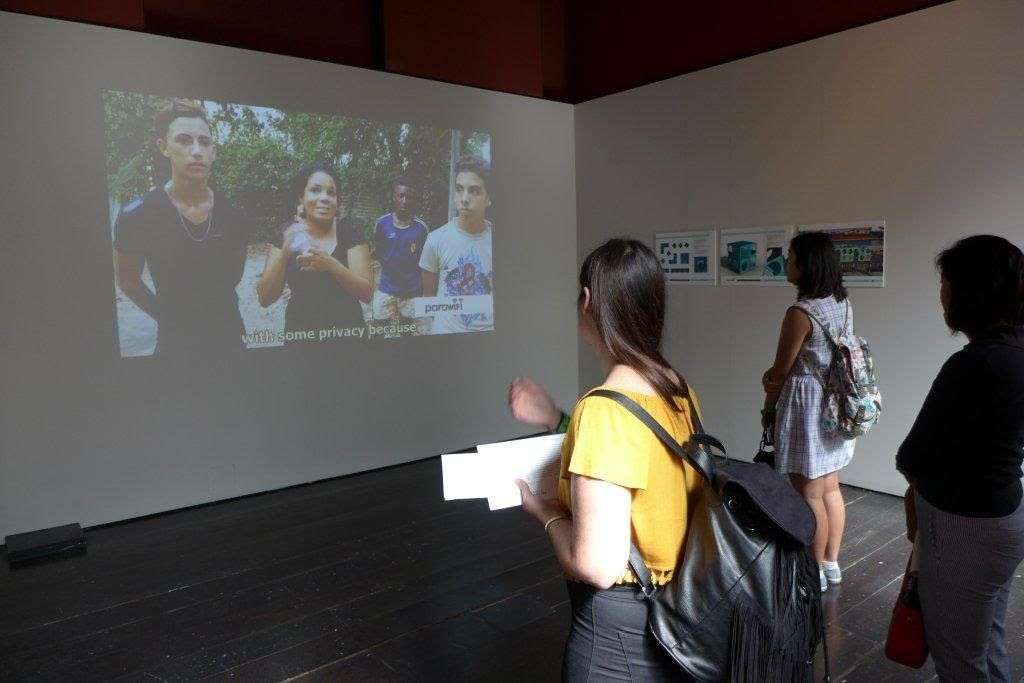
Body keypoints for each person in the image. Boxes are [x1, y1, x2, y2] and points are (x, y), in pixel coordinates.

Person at [512, 238, 703, 681]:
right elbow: (636, 457)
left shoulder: (604, 408)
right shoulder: (679, 391)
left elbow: (597, 566)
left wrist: (544, 513)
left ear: (587, 303)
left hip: (620, 635)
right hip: (682, 612)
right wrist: (557, 418)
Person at [897, 235, 1024, 682]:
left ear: (971, 293)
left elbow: (911, 453)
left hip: (965, 524)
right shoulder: (1016, 350)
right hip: (1005, 510)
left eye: (947, 282)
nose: (941, 293)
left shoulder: (974, 364)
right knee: (986, 639)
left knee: (959, 657)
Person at [113, 99, 250, 356]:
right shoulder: (137, 215)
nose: (196, 150)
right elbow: (129, 281)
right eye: (184, 140)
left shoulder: (234, 216)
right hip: (174, 345)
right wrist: (167, 316)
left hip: (231, 341)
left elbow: (234, 276)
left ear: (214, 152)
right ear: (164, 147)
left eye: (205, 142)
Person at [762, 231, 855, 592]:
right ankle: (831, 563)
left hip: (807, 406)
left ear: (806, 265)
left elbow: (780, 371)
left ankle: (813, 569)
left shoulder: (800, 313)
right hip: (834, 403)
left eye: (790, 257)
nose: (786, 263)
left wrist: (769, 403)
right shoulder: (841, 303)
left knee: (809, 493)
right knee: (830, 487)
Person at [256, 162, 371, 342]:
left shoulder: (350, 231)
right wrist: (284, 256)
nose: (324, 198)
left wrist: (331, 265)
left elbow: (367, 294)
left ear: (337, 200)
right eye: (315, 190)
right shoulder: (287, 234)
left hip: (348, 336)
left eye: (331, 192)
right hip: (301, 337)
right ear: (301, 197)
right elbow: (265, 299)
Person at [419, 155, 494, 334]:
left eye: (474, 191)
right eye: (459, 189)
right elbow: (427, 299)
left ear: (488, 198)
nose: (464, 198)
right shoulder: (435, 240)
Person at [370, 177, 429, 327]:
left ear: (413, 199)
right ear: (394, 197)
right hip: (386, 288)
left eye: (408, 196)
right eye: (400, 195)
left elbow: (425, 261)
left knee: (406, 332)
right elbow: (379, 251)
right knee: (378, 329)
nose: (404, 200)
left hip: (411, 292)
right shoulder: (382, 224)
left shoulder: (422, 229)